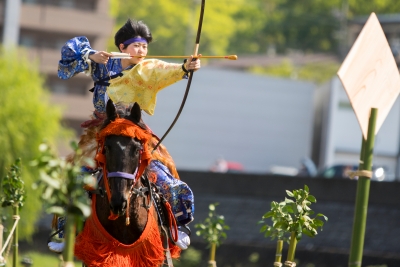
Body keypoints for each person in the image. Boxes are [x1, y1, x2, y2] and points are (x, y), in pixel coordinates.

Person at [50, 18, 199, 253]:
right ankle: (64, 230)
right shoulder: (103, 63)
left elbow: (168, 70)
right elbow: (69, 54)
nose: (141, 51)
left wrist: (185, 67)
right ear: (122, 47)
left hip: (134, 133)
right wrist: (90, 55)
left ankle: (178, 227)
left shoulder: (148, 69)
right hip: (101, 131)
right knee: (76, 178)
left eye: (144, 47)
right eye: (136, 46)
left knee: (163, 175)